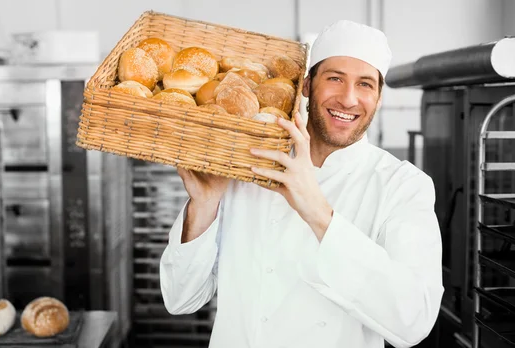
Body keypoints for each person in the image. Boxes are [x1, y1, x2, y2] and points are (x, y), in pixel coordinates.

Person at [160, 19, 444, 348]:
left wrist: (317, 210)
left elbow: (413, 321)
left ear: (378, 98)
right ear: (307, 85)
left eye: (365, 84)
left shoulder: (402, 186)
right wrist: (204, 205)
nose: (349, 99)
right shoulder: (249, 161)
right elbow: (180, 299)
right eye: (335, 79)